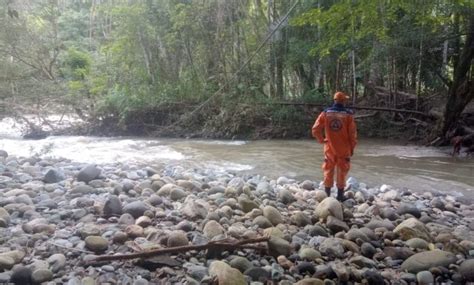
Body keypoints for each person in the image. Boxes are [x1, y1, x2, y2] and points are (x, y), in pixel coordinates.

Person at [312, 91, 357, 201]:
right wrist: (352, 148)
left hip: (329, 148)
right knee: (342, 171)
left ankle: (327, 195)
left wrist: (322, 140)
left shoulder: (325, 113)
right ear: (343, 101)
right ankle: (340, 196)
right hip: (344, 149)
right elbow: (352, 135)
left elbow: (315, 129)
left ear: (334, 101)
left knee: (328, 170)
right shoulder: (348, 115)